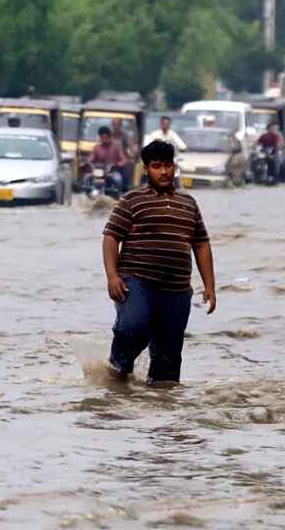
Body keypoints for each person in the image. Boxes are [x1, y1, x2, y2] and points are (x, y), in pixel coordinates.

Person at [102, 140, 216, 385]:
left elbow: (201, 244)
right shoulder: (131, 200)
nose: (163, 172)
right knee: (134, 327)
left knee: (168, 360)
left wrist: (209, 286)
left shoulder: (188, 204)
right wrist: (112, 276)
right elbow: (111, 237)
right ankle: (117, 372)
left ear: (174, 167)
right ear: (145, 169)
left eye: (167, 165)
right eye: (156, 166)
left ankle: (161, 410)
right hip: (137, 283)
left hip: (176, 290)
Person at [87, 126, 127, 194]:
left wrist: (117, 164)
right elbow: (91, 158)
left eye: (106, 138)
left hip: (112, 172)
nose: (104, 140)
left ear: (110, 137)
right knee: (87, 178)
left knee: (118, 180)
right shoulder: (97, 147)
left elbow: (123, 159)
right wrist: (88, 162)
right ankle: (89, 194)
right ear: (100, 138)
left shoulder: (117, 146)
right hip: (99, 171)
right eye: (102, 138)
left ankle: (118, 196)